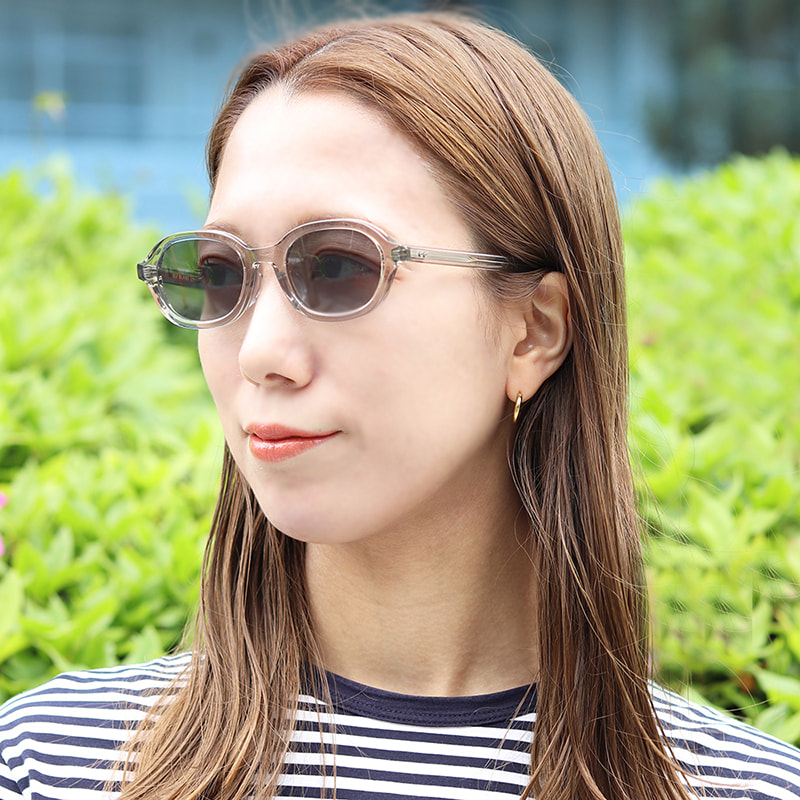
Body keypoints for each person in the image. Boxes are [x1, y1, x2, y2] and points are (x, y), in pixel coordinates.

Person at [2, 11, 800, 800]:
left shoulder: (739, 789)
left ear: (534, 331)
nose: (258, 351)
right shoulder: (56, 763)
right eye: (221, 273)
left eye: (338, 266)